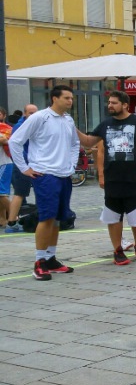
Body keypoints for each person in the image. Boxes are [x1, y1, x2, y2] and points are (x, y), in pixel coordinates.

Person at [79, 91, 136, 265]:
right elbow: (88, 142)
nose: (110, 105)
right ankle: (117, 249)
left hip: (135, 178)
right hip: (113, 179)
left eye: (114, 103)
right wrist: (72, 127)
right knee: (113, 216)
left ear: (125, 105)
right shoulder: (105, 124)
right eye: (109, 102)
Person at [10, 87, 80, 280]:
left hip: (64, 175)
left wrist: (72, 164)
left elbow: (75, 144)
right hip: (45, 174)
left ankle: (50, 258)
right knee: (46, 217)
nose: (70, 101)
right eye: (66, 98)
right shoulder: (39, 117)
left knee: (58, 218)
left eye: (71, 98)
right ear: (54, 98)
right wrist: (25, 168)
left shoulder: (68, 120)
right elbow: (15, 141)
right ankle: (39, 261)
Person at [5, 104, 38, 233]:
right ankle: (11, 223)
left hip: (32, 164)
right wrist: (24, 166)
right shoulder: (21, 126)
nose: (33, 115)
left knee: (29, 192)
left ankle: (40, 218)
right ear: (24, 114)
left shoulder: (33, 125)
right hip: (23, 165)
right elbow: (14, 145)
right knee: (20, 193)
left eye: (35, 112)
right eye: (30, 113)